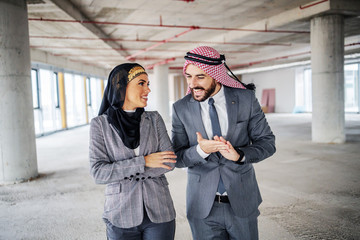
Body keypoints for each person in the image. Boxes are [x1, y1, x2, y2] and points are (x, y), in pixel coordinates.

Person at [172, 46, 276, 240]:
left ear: (216, 74)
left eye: (200, 77)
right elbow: (177, 158)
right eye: (188, 76)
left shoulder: (245, 99)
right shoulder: (180, 108)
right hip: (202, 207)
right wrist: (200, 151)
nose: (193, 83)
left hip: (242, 201)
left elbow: (267, 142)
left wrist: (240, 155)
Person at [89, 63, 177, 240]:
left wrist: (120, 170)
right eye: (141, 83)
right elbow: (98, 172)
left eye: (148, 84)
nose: (148, 90)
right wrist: (143, 161)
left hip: (159, 211)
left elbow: (169, 161)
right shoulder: (100, 124)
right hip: (120, 213)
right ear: (122, 87)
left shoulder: (154, 119)